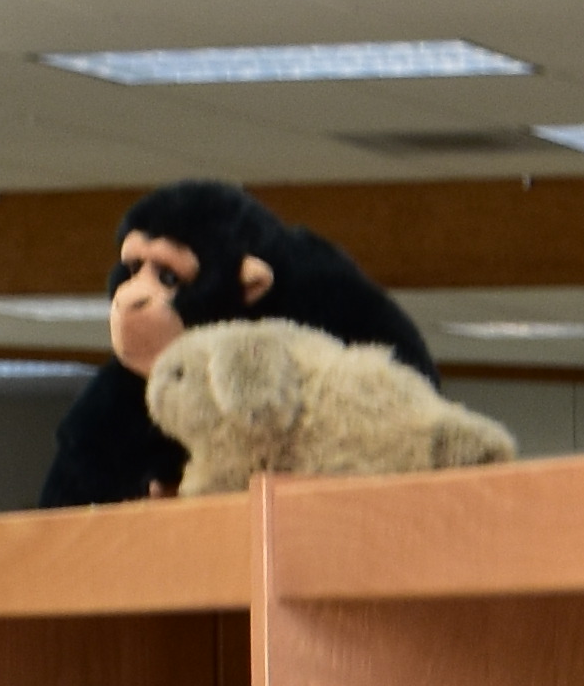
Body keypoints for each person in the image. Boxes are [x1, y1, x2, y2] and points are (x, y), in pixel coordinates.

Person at [38, 179, 443, 506]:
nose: (131, 298)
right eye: (132, 268)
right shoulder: (125, 387)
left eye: (167, 276)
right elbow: (74, 485)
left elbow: (404, 417)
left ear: (250, 285)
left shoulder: (331, 316)